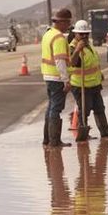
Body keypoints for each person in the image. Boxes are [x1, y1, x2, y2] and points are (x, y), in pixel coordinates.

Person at [68, 20, 108, 139]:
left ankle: (105, 130)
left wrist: (99, 73)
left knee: (99, 108)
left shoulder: (89, 45)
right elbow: (72, 62)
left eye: (86, 33)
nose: (84, 36)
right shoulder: (72, 47)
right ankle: (83, 133)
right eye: (81, 34)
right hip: (81, 85)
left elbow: (93, 61)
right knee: (85, 110)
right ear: (76, 34)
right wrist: (77, 50)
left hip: (94, 83)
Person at [41, 8, 73, 147]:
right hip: (56, 78)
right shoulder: (59, 38)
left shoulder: (48, 34)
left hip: (48, 76)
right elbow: (60, 61)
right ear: (61, 22)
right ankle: (54, 141)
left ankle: (47, 139)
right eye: (67, 23)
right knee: (56, 108)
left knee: (51, 107)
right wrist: (66, 80)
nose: (68, 26)